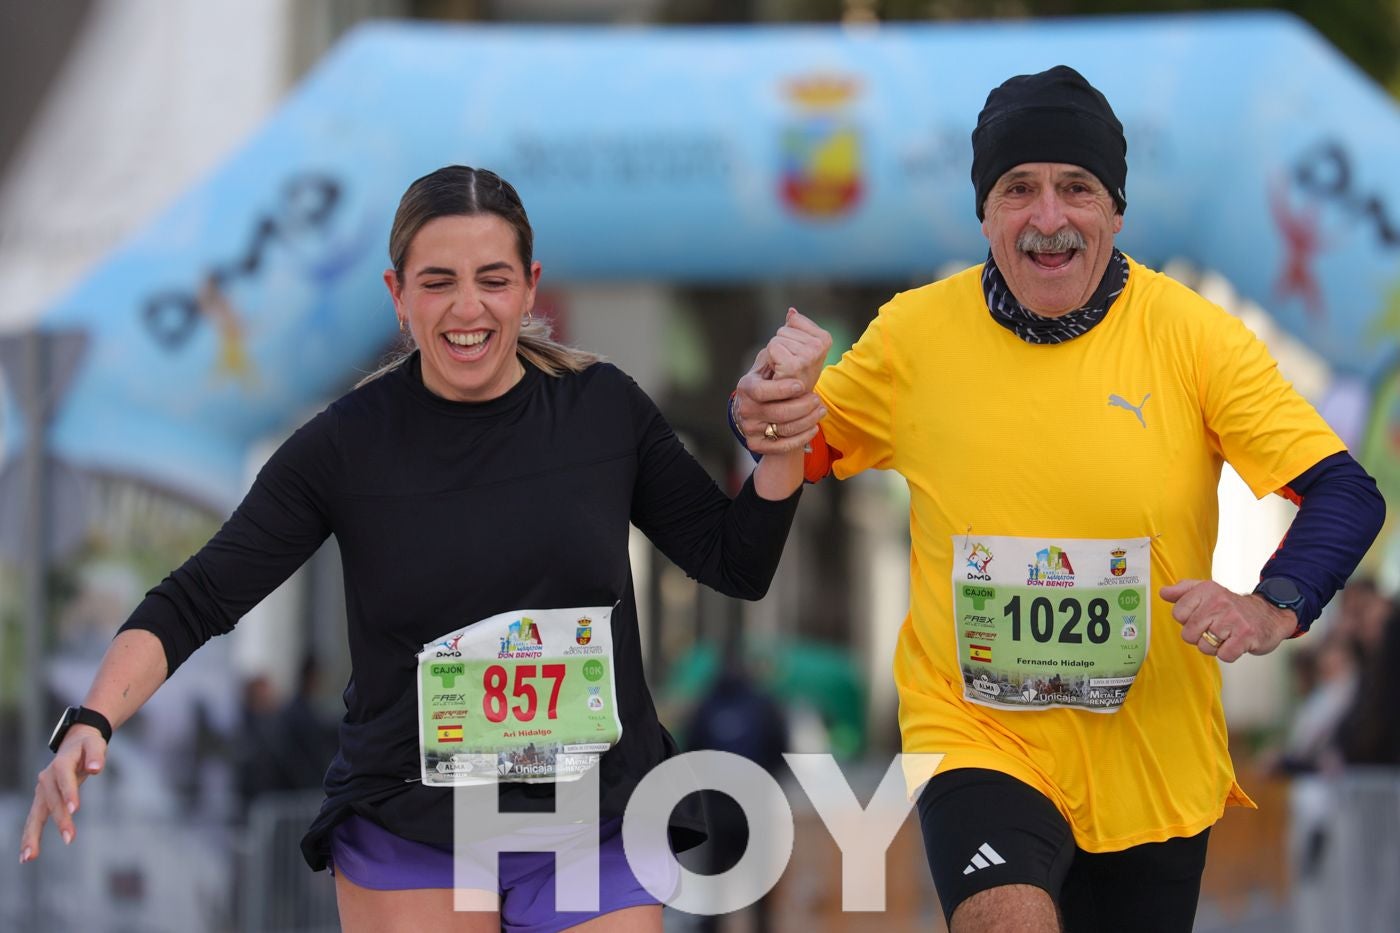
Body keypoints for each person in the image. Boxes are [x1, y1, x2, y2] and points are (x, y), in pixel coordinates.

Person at [20, 165, 821, 933]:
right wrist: (93, 717)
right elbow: (200, 596)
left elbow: (734, 562)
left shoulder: (602, 410)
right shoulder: (346, 447)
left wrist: (784, 442)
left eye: (493, 279)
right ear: (396, 295)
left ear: (530, 286)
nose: (466, 307)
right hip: (415, 821)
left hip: (591, 810)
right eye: (437, 281)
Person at [730, 66, 1386, 933]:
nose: (1048, 217)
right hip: (977, 732)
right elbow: (804, 449)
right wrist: (763, 410)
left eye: (1076, 188)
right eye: (1018, 190)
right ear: (985, 213)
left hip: (1151, 751)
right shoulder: (914, 336)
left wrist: (1272, 605)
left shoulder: (1193, 337)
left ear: (1115, 210)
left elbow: (1344, 491)